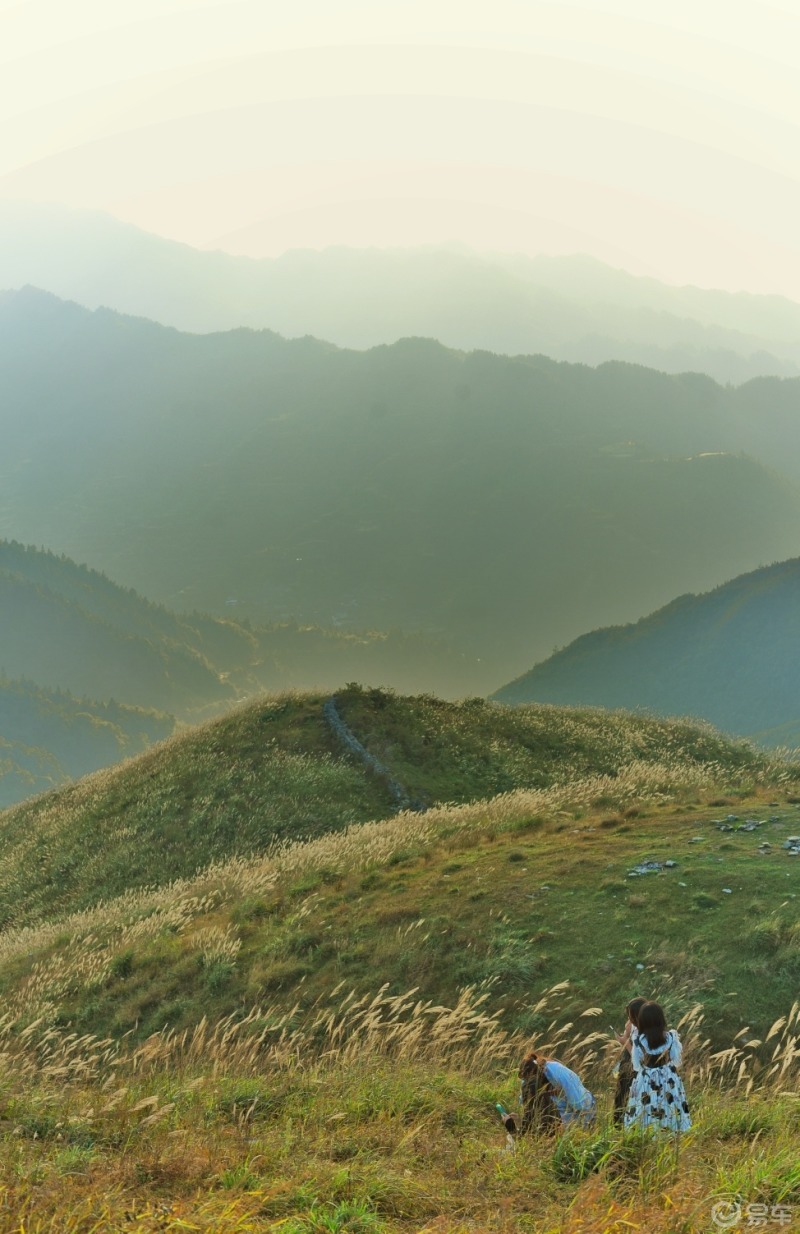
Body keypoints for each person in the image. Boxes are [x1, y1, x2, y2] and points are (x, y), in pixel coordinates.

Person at [624, 1001, 691, 1133]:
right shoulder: (671, 1037)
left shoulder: (639, 1041)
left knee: (646, 1108)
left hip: (646, 1080)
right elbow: (677, 1061)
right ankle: (671, 1132)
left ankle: (649, 1135)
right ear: (661, 1019)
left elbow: (637, 1066)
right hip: (669, 1079)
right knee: (670, 1106)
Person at [518, 1050, 596, 1134]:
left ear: (535, 1072)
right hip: (561, 1109)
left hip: (584, 1108)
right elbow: (527, 1102)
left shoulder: (558, 1072)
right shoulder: (528, 1078)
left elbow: (579, 1105)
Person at [613, 996, 647, 1126]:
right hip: (627, 1064)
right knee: (620, 1096)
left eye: (631, 1016)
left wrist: (624, 1042)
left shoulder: (646, 1031)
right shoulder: (634, 1026)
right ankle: (618, 1126)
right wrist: (626, 1033)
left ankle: (626, 1126)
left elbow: (641, 1057)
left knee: (629, 1098)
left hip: (635, 1069)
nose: (629, 1019)